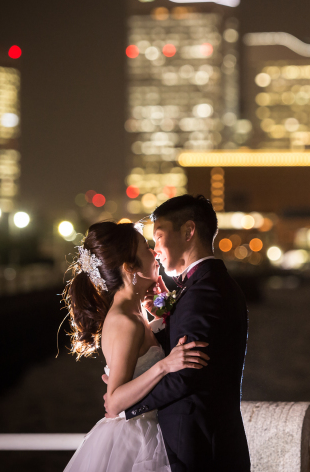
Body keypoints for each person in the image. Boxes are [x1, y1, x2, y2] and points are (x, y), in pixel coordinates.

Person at [111, 194, 251, 472]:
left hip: (200, 447)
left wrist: (127, 406)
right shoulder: (203, 285)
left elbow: (188, 373)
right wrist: (165, 312)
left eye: (159, 237)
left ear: (188, 231)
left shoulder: (205, 291)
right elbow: (180, 347)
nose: (155, 250)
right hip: (200, 442)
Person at [61, 221, 210, 472]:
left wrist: (163, 305)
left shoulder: (135, 311)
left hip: (147, 429)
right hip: (134, 441)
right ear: (130, 267)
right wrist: (164, 366)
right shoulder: (125, 321)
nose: (155, 252)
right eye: (146, 247)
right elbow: (114, 402)